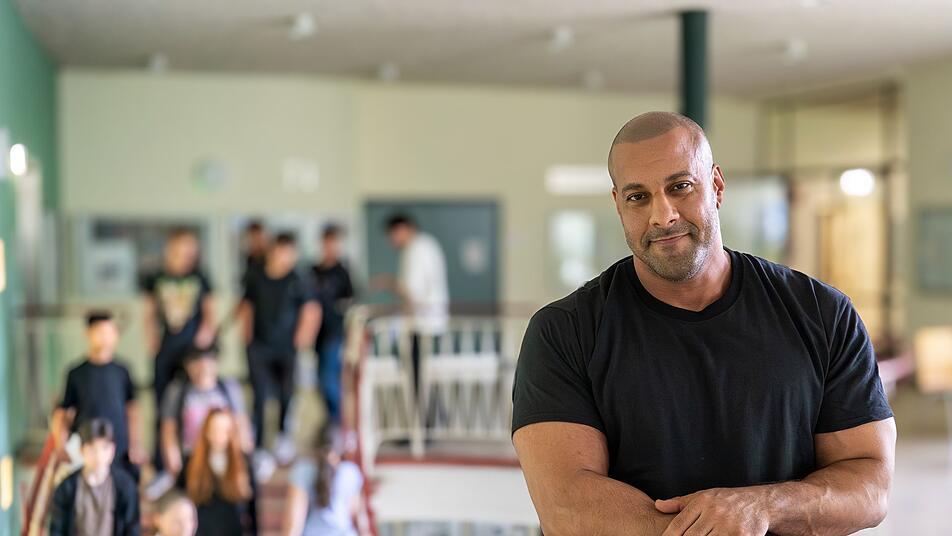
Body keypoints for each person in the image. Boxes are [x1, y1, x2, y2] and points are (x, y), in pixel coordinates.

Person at [511, 111, 896, 535]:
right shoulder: (564, 331)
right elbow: (566, 505)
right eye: (638, 197)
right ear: (618, 204)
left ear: (716, 186)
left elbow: (870, 487)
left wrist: (761, 507)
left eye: (680, 187)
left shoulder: (822, 314)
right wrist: (714, 526)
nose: (663, 216)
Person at [239, 232, 321, 460]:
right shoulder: (255, 276)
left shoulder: (299, 279)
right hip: (259, 345)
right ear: (272, 251)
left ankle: (282, 436)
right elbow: (246, 306)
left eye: (290, 254)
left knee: (286, 393)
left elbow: (311, 310)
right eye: (282, 252)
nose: (286, 258)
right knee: (260, 395)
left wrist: (302, 339)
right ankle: (257, 444)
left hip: (286, 347)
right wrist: (246, 338)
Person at [142, 228, 216, 467]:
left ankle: (193, 458)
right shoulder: (156, 277)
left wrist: (203, 346)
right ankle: (161, 460)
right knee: (162, 403)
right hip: (166, 349)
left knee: (191, 403)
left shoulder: (200, 277)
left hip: (191, 352)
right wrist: (151, 338)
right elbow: (149, 312)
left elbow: (209, 314)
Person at [51, 311, 144, 481]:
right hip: (86, 448)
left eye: (109, 332)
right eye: (100, 332)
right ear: (88, 334)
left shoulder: (122, 371)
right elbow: (63, 413)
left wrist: (135, 445)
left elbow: (132, 411)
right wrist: (60, 446)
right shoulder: (76, 373)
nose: (105, 338)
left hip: (119, 448)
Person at [377, 215, 449, 414]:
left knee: (419, 377)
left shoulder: (416, 250)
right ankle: (432, 417)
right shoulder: (428, 245)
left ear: (403, 229)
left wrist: (388, 283)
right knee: (427, 376)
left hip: (422, 325)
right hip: (432, 324)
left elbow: (413, 291)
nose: (392, 241)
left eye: (392, 235)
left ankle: (426, 422)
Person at [157, 344, 253, 488]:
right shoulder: (178, 391)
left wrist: (243, 457)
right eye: (196, 362)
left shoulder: (228, 388)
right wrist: (174, 465)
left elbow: (241, 424)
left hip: (224, 457)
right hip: (192, 458)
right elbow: (168, 429)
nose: (202, 367)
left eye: (208, 362)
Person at [50, 419, 140, 536]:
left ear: (112, 450)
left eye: (104, 448)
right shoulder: (66, 488)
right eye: (92, 449)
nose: (98, 456)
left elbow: (132, 529)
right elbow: (57, 530)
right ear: (81, 450)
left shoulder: (126, 487)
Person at [283, 424, 370, 536]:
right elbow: (356, 514)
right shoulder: (351, 472)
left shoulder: (302, 471)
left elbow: (294, 522)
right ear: (341, 448)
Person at [185, 408, 258, 536]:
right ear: (206, 431)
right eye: (215, 430)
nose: (219, 436)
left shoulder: (243, 462)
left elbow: (252, 506)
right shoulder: (191, 462)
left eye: (225, 430)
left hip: (233, 529)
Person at [312, 224, 355, 425]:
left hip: (335, 333)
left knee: (329, 378)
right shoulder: (313, 271)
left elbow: (350, 306)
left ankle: (338, 421)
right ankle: (331, 419)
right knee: (320, 381)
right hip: (317, 334)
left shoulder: (342, 273)